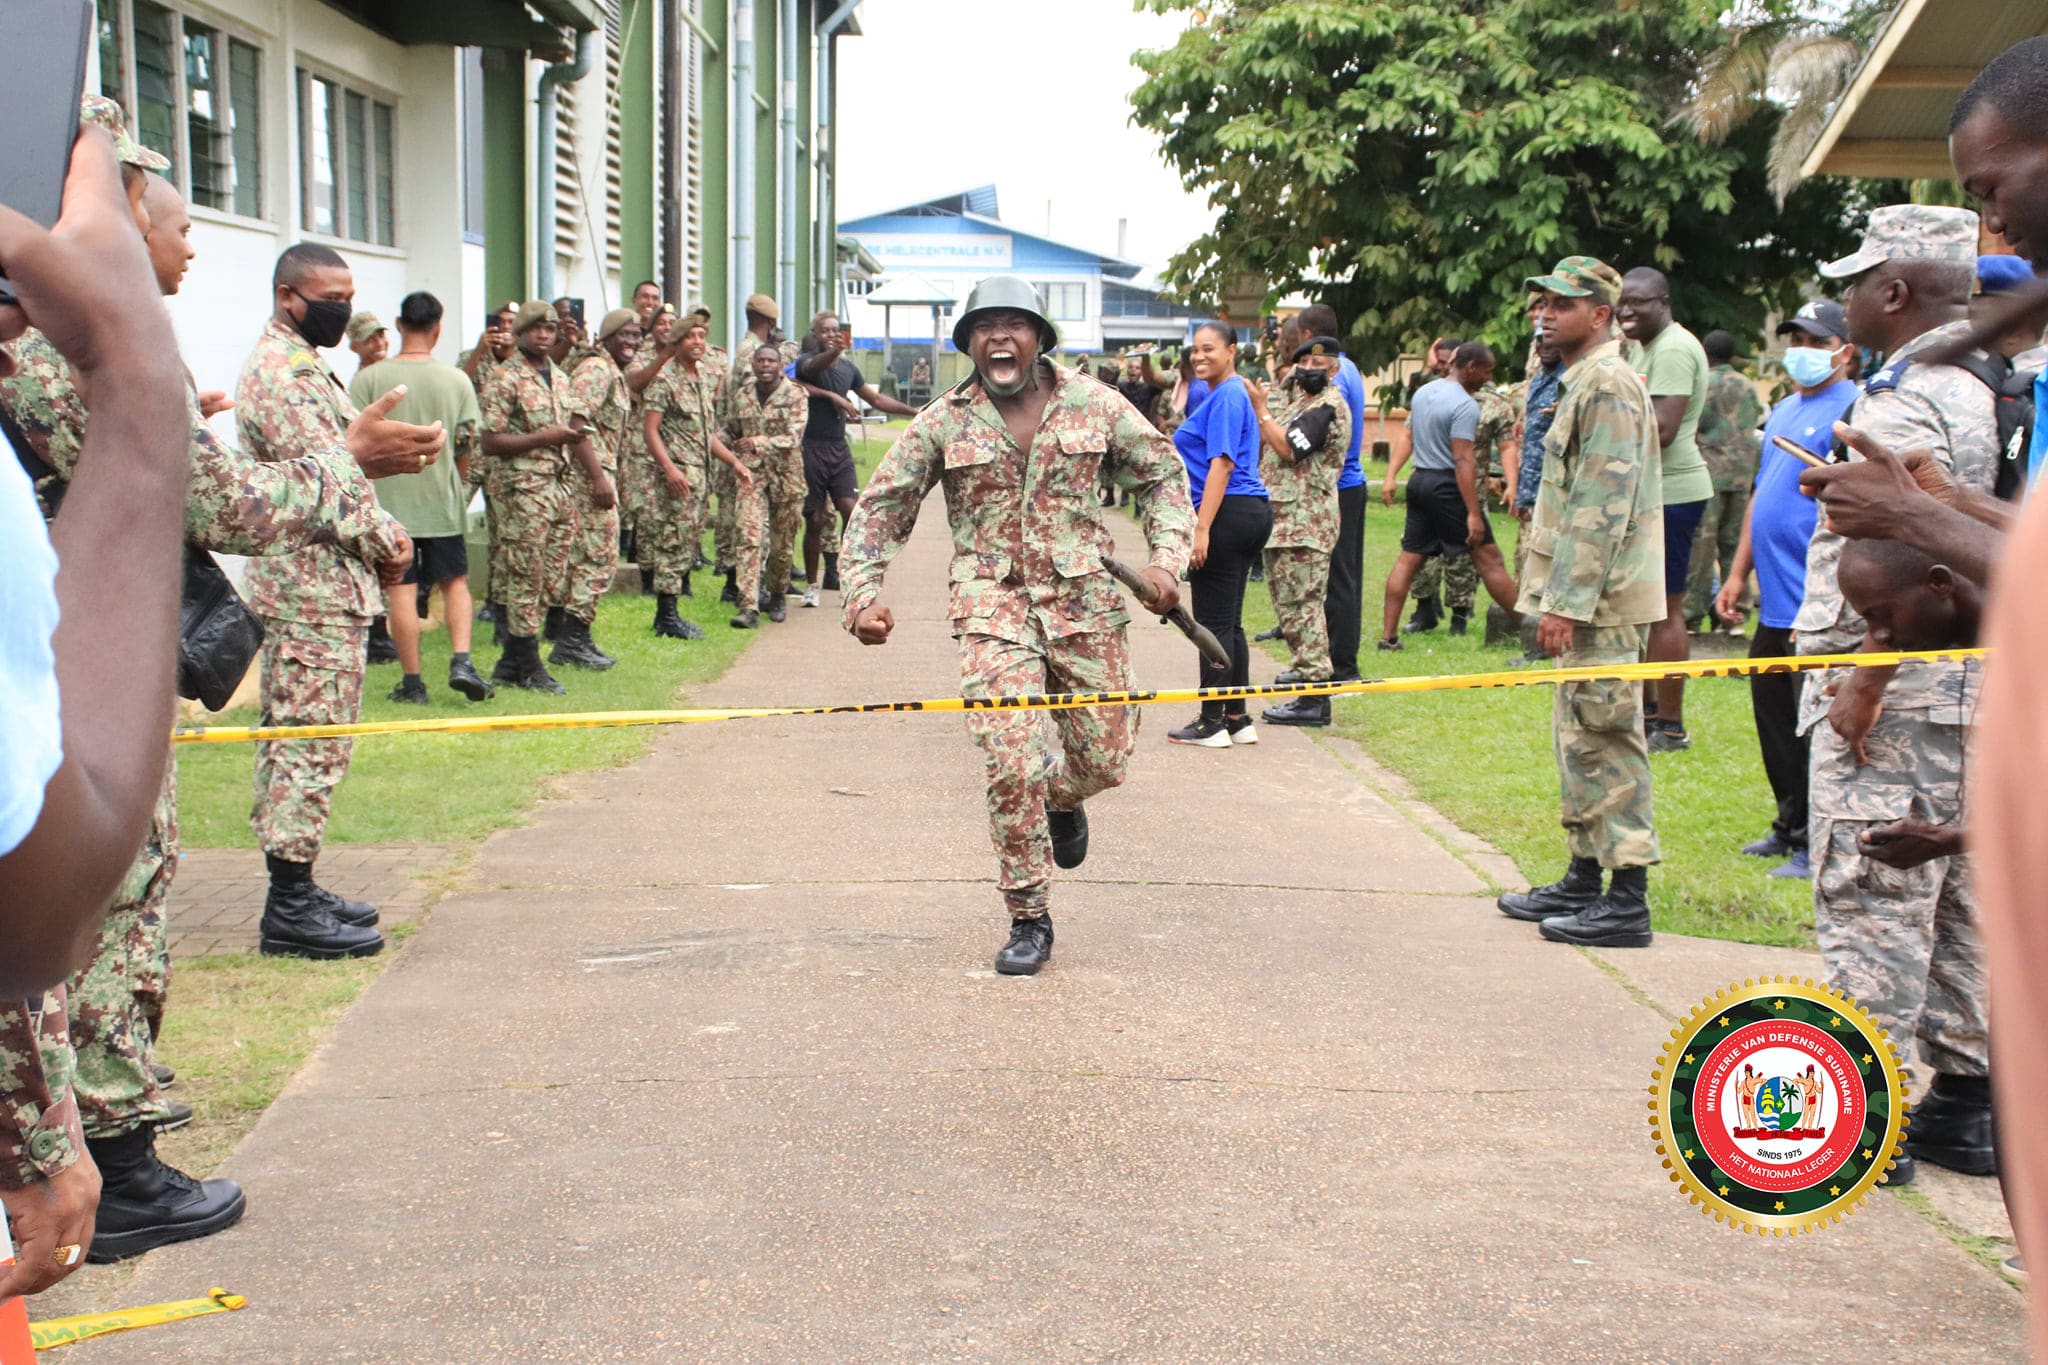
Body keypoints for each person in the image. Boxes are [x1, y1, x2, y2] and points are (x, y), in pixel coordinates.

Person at [838, 274, 1194, 975]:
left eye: (1015, 323)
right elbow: (882, 506)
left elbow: (1162, 476)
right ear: (969, 342)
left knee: (1105, 758)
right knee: (1010, 754)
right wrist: (860, 595)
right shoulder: (945, 418)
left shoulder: (1096, 404)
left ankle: (1063, 798)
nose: (999, 335)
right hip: (992, 606)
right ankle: (1028, 913)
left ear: (1038, 338)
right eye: (984, 325)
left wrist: (1166, 561)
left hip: (1085, 605)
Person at [0, 101, 189, 1293]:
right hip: (89, 653)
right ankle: (114, 1134)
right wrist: (135, 376)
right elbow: (27, 902)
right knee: (105, 923)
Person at [1797, 204, 1998, 1183]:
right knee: (1958, 897)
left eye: (1852, 281)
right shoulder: (1976, 387)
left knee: (1873, 894)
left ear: (1889, 290)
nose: (1842, 301)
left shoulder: (1900, 404)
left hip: (1894, 696)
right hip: (1966, 694)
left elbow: (1900, 553)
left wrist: (1863, 681)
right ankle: (1962, 1103)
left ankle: (1861, 1121)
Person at [237, 243, 413, 960]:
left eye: (349, 292)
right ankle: (289, 902)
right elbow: (327, 482)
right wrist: (389, 535)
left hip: (322, 583)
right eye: (328, 294)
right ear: (288, 296)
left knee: (314, 740)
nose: (341, 306)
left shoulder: (307, 366)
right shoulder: (282, 374)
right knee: (309, 742)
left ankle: (299, 883)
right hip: (308, 586)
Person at [1495, 256, 1665, 949]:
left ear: (1600, 314)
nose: (1545, 313)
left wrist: (1565, 602)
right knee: (1580, 738)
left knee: (1608, 737)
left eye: (1562, 304)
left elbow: (1601, 504)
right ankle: (1584, 873)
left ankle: (1627, 898)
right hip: (1584, 598)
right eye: (1541, 303)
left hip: (1604, 600)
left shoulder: (1610, 384)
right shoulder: (1578, 379)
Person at [1712, 300, 1859, 880]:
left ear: (1845, 351)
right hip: (1775, 598)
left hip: (1816, 597)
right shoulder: (1782, 410)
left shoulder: (1855, 408)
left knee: (1810, 723)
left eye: (1817, 341)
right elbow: (1761, 494)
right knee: (1773, 713)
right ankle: (1787, 822)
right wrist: (1736, 571)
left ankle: (1811, 840)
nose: (1804, 350)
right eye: (1796, 338)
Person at [349, 291, 493, 704]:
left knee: (402, 591)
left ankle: (412, 683)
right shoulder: (457, 379)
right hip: (442, 503)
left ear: (398, 325)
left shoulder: (369, 379)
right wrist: (457, 485)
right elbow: (467, 443)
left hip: (390, 508)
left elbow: (352, 440)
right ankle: (462, 660)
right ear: (439, 327)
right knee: (455, 582)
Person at [1376, 342, 1525, 651]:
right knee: (1490, 559)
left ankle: (1387, 637)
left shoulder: (1424, 393)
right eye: (1486, 370)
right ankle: (1529, 631)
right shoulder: (1466, 405)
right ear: (1470, 367)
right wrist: (1472, 511)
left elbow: (1412, 436)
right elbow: (1463, 460)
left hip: (1419, 480)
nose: (1488, 377)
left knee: (1409, 557)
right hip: (1448, 485)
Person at [1617, 267, 1712, 752]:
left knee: (1666, 608)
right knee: (1647, 604)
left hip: (1673, 491)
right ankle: (1650, 708)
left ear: (1663, 301)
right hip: (1650, 491)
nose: (1626, 310)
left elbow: (1664, 427)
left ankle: (1670, 725)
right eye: (1620, 303)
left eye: (1637, 301)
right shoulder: (1642, 347)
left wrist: (1603, 428)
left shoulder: (1673, 348)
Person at [478, 301, 595, 694]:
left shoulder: (559, 377)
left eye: (550, 329)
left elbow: (576, 420)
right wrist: (547, 437)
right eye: (536, 329)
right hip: (521, 489)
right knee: (526, 574)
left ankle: (512, 657)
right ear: (520, 333)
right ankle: (527, 661)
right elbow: (490, 441)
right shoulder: (504, 378)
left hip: (557, 486)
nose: (544, 335)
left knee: (552, 575)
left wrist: (577, 432)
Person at [1165, 321, 1270, 747]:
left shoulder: (1227, 395)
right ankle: (1237, 716)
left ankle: (1212, 722)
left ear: (1231, 351)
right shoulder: (1224, 394)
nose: (1200, 356)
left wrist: (1201, 528)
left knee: (1211, 623)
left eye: (1209, 348)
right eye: (1195, 350)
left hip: (1227, 513)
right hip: (1247, 511)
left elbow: (1222, 465)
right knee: (1232, 624)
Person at [1255, 336, 1352, 728]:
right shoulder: (1301, 402)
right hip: (1287, 521)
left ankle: (1314, 696)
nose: (1309, 367)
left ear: (1334, 369)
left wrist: (1262, 412)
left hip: (1306, 523)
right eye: (1304, 361)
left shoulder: (1326, 407)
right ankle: (1304, 668)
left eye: (1318, 362)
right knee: (1289, 606)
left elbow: (1288, 449)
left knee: (1304, 606)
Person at [794, 312, 917, 608]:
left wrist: (913, 412)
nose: (831, 334)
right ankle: (812, 585)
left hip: (839, 449)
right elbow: (810, 370)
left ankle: (847, 577)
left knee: (851, 511)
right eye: (825, 331)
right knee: (816, 520)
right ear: (816, 335)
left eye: (836, 330)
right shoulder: (807, 363)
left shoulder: (848, 369)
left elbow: (875, 400)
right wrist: (831, 396)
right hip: (811, 448)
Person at [641, 317, 749, 637]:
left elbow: (706, 435)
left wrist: (733, 462)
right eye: (690, 337)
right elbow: (650, 430)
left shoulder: (700, 376)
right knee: (672, 542)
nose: (698, 342)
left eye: (702, 335)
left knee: (687, 541)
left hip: (699, 477)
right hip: (678, 476)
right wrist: (670, 469)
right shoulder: (665, 380)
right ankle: (666, 615)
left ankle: (670, 613)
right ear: (676, 342)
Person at [554, 308, 638, 667]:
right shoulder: (597, 369)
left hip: (600, 473)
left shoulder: (613, 371)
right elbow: (577, 427)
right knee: (599, 555)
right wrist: (597, 478)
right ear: (606, 337)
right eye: (625, 334)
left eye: (637, 335)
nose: (632, 342)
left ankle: (577, 636)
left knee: (591, 556)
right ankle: (571, 640)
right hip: (589, 479)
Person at [1683, 330, 1763, 634]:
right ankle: (1735, 615)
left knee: (1701, 547)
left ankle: (1692, 615)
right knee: (1734, 545)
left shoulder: (1703, 383)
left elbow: (1694, 422)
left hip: (1709, 474)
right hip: (1742, 475)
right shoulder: (1747, 385)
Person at [723, 340, 807, 628]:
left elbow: (794, 437)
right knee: (749, 537)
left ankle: (778, 593)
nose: (766, 366)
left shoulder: (796, 395)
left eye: (771, 361)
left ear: (780, 364)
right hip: (751, 476)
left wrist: (759, 442)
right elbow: (730, 429)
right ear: (753, 365)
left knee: (782, 545)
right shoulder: (742, 395)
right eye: (760, 361)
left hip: (787, 477)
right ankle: (749, 606)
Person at [345, 310, 388, 375]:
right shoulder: (364, 382)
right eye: (369, 339)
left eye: (381, 335)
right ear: (354, 347)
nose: (380, 344)